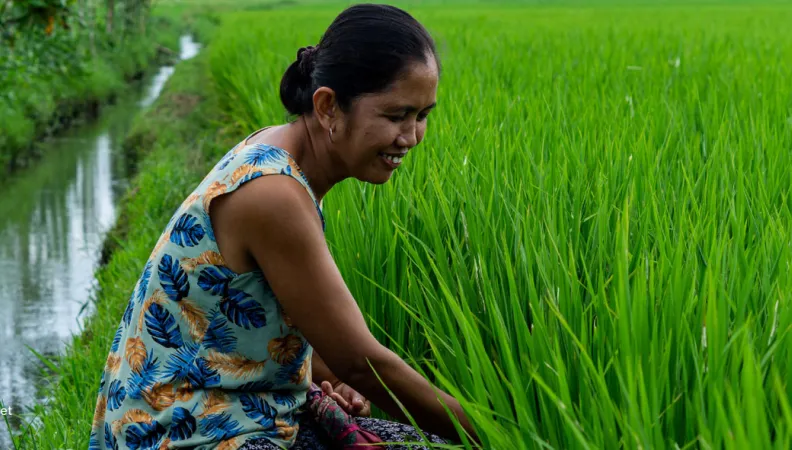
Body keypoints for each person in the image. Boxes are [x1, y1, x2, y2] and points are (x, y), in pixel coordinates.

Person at [89, 3, 479, 449]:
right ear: (328, 105)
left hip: (219, 409)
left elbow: (283, 325)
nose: (410, 136)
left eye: (422, 115)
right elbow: (359, 362)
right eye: (394, 116)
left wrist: (329, 376)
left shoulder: (276, 148)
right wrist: (498, 436)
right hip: (181, 431)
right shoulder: (273, 193)